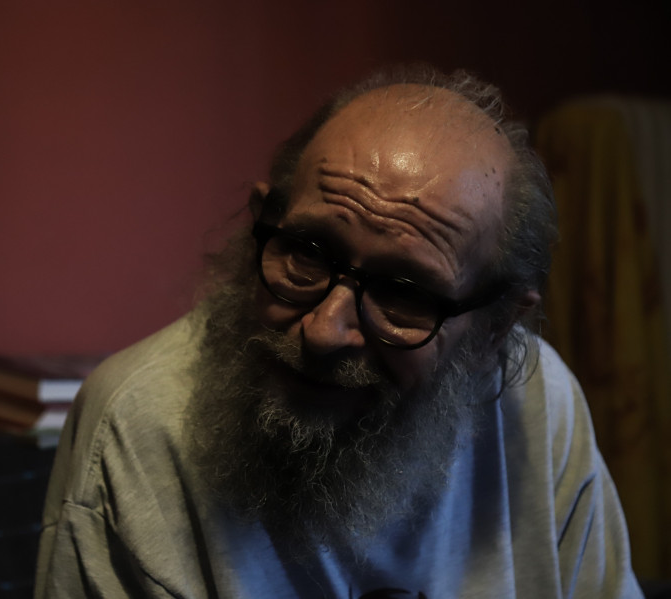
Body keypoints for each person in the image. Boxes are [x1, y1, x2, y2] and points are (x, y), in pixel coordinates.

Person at [35, 65, 644, 598]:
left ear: (494, 330)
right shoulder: (134, 424)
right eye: (307, 253)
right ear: (261, 223)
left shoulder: (541, 406)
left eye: (403, 294)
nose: (325, 331)